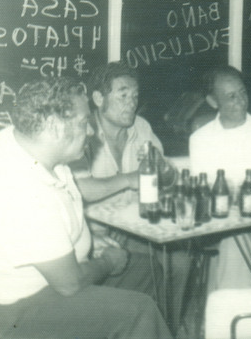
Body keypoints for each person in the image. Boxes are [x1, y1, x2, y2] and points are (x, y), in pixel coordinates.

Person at [0, 77, 172, 339]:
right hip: (20, 308)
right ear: (53, 126)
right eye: (84, 123)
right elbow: (69, 284)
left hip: (36, 283)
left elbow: (66, 201)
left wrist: (90, 239)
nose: (91, 132)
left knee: (147, 270)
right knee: (139, 310)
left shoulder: (20, 142)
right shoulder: (23, 189)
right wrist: (107, 262)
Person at [70, 61, 189, 331]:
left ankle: (167, 327)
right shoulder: (81, 132)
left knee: (181, 261)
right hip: (96, 231)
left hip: (140, 225)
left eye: (135, 96)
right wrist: (128, 180)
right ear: (99, 98)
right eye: (123, 95)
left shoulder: (142, 127)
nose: (131, 103)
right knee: (153, 266)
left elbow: (169, 178)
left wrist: (162, 167)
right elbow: (80, 189)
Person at [189, 65, 251, 290]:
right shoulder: (201, 139)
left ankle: (231, 309)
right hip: (223, 221)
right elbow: (203, 191)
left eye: (243, 92)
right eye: (231, 96)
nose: (241, 101)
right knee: (238, 238)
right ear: (213, 101)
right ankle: (239, 306)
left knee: (243, 240)